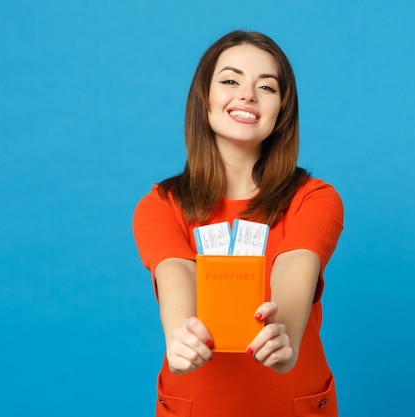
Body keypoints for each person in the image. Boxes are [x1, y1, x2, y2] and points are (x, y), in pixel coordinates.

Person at [132, 30, 344, 417]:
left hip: (291, 403)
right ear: (204, 99)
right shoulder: (160, 204)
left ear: (282, 110)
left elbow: (295, 262)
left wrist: (286, 334)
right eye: (230, 80)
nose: (247, 94)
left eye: (267, 87)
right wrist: (181, 335)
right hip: (196, 405)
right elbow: (175, 266)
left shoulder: (315, 197)